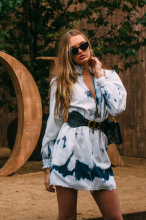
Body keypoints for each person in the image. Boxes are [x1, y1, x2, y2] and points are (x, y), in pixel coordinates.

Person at [41, 29, 127, 220]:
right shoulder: (61, 82)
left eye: (84, 45)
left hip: (97, 153)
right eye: (73, 50)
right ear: (67, 55)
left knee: (114, 217)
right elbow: (53, 126)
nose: (81, 50)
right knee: (67, 217)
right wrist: (48, 168)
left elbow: (118, 108)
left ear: (89, 46)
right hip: (68, 153)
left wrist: (100, 77)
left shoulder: (109, 76)